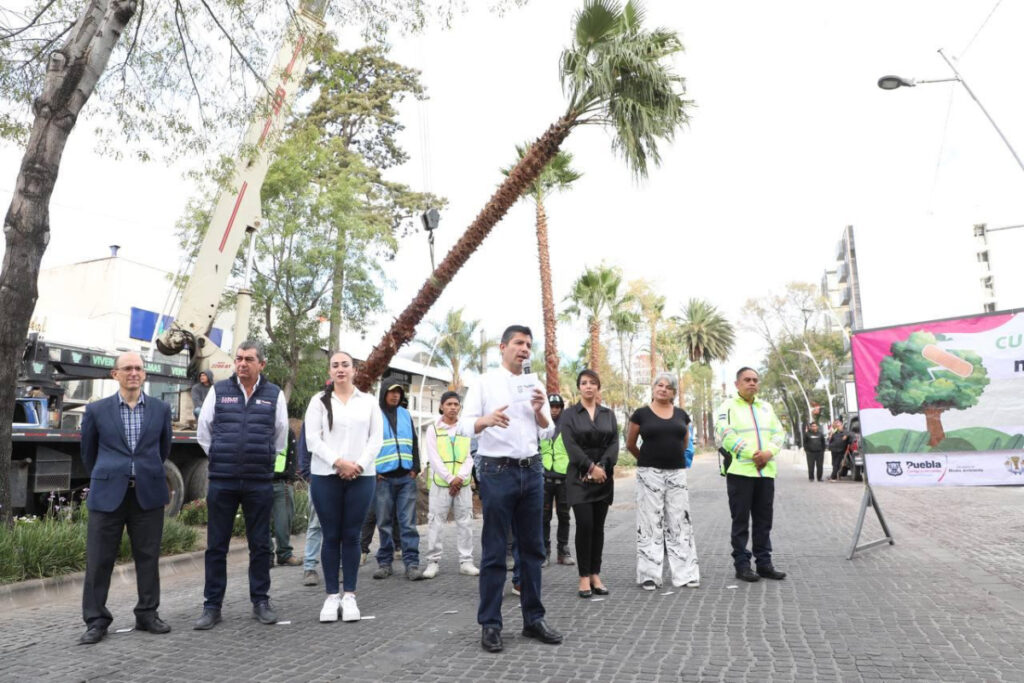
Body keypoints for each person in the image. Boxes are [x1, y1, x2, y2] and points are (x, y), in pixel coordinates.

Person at [459, 324, 563, 653]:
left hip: (531, 470)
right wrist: (485, 421)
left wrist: (539, 411)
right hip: (497, 470)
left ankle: (533, 619)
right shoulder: (484, 382)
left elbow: (548, 431)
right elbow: (462, 425)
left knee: (532, 550)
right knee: (494, 551)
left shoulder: (534, 384)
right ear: (502, 347)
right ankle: (490, 623)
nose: (525, 349)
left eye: (529, 344)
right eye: (519, 343)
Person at [78, 352, 173, 645]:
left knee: (148, 558)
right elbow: (88, 454)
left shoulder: (160, 409)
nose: (134, 372)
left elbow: (163, 450)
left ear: (144, 374)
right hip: (108, 494)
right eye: (127, 368)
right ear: (115, 374)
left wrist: (143, 472)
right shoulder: (96, 410)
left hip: (147, 494)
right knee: (99, 560)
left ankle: (147, 614)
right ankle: (96, 620)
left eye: (138, 368)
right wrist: (110, 475)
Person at [194, 341, 289, 630]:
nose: (242, 363)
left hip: (258, 481)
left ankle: (261, 601)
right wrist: (221, 456)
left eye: (249, 359)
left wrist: (261, 459)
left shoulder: (274, 395)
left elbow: (280, 436)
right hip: (222, 481)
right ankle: (212, 606)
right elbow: (204, 432)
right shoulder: (219, 391)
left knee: (260, 545)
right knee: (216, 546)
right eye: (239, 358)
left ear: (262, 364)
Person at [304, 351, 383, 622]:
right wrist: (339, 462)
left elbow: (376, 439)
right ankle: (331, 596)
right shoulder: (318, 401)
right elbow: (312, 439)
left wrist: (357, 465)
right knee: (330, 535)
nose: (340, 369)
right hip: (326, 475)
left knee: (351, 535)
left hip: (361, 477)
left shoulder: (368, 402)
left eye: (345, 365)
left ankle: (349, 595)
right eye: (335, 365)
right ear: (330, 371)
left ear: (354, 370)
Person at [626, 372, 700, 591]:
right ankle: (649, 576)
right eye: (659, 385)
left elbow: (684, 442)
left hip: (676, 473)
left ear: (674, 392)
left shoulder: (682, 414)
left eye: (668, 387)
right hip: (649, 473)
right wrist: (647, 461)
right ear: (653, 388)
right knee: (650, 523)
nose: (663, 389)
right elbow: (630, 444)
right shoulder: (641, 414)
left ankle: (686, 574)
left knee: (680, 522)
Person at [715, 367, 787, 583]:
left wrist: (768, 453)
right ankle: (742, 565)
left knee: (764, 521)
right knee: (740, 521)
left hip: (766, 473)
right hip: (740, 473)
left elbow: (779, 433)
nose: (752, 383)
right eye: (747, 380)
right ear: (737, 384)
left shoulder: (766, 407)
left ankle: (764, 564)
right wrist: (752, 454)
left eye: (755, 380)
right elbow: (726, 434)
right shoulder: (727, 406)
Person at [561, 369, 618, 599]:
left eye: (592, 382)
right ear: (579, 387)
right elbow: (570, 445)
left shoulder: (608, 414)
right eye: (584, 382)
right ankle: (583, 576)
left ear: (598, 387)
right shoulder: (569, 415)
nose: (588, 386)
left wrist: (602, 467)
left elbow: (614, 443)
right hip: (579, 479)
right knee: (584, 526)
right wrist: (590, 467)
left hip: (603, 479)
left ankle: (595, 574)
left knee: (598, 528)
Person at [422, 391, 479, 579]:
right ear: (441, 406)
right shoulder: (433, 429)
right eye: (449, 404)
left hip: (462, 484)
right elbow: (434, 457)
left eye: (456, 404)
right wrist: (450, 479)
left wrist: (460, 478)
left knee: (465, 522)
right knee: (435, 522)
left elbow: (470, 456)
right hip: (441, 484)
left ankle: (466, 561)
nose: (453, 407)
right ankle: (433, 562)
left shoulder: (465, 428)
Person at [372, 382, 425, 581]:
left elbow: (414, 442)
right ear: (384, 393)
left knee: (408, 524)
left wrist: (415, 468)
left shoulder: (405, 414)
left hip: (406, 478)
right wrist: (373, 471)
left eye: (398, 392)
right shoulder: (374, 415)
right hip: (383, 478)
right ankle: (385, 563)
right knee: (384, 523)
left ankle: (412, 564)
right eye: (391, 392)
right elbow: (367, 443)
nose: (395, 396)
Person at [539, 394, 574, 568]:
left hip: (564, 479)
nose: (554, 410)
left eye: (557, 407)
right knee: (543, 517)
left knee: (564, 516)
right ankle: (544, 552)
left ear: (561, 408)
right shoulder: (540, 423)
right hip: (545, 478)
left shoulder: (568, 425)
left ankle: (563, 551)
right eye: (551, 406)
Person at [296, 423, 323, 586]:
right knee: (315, 524)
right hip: (318, 478)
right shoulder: (314, 415)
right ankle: (310, 567)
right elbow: (304, 447)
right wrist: (309, 475)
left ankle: (340, 566)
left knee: (340, 525)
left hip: (341, 478)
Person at [271, 424, 300, 566]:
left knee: (284, 521)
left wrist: (290, 478)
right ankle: (266, 556)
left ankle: (284, 553)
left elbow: (293, 456)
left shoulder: (287, 431)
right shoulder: (256, 428)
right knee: (260, 522)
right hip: (260, 481)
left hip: (282, 482)